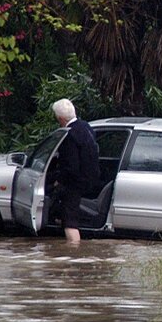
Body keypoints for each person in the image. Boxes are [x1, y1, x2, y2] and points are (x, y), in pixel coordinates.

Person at [50, 99, 100, 244]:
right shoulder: (86, 127)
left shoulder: (69, 135)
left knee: (70, 223)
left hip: (75, 184)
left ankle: (73, 254)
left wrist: (58, 180)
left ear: (60, 119)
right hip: (92, 178)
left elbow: (70, 167)